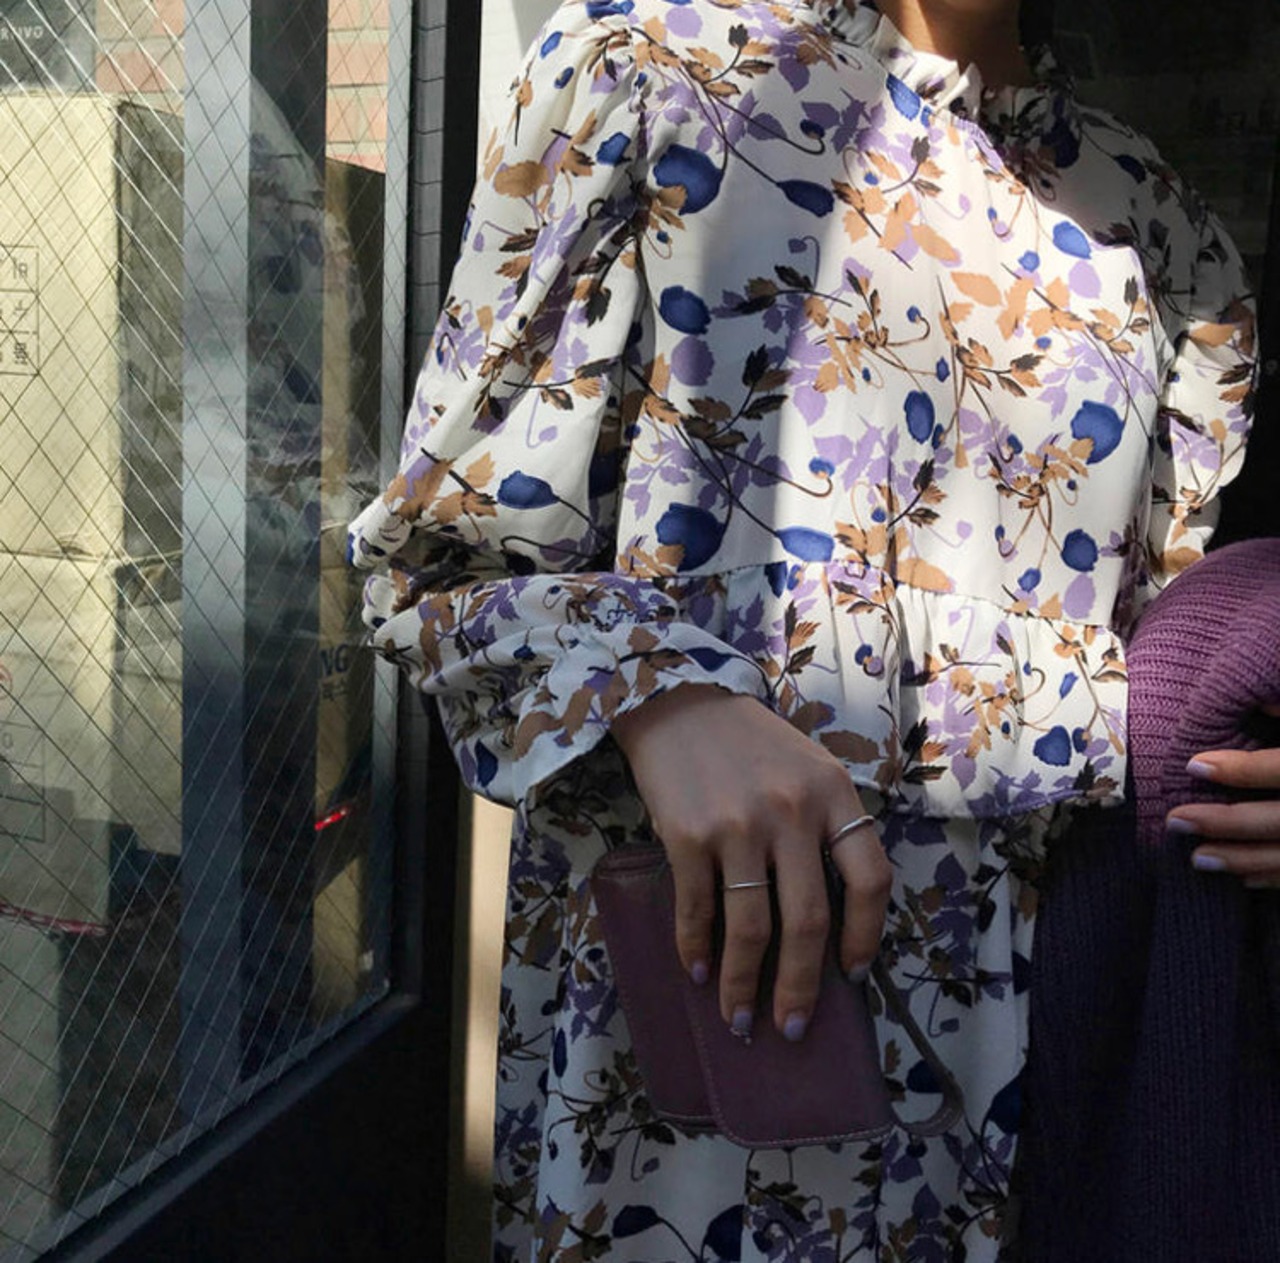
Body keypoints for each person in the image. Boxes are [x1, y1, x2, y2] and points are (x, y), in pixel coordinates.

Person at [348, 0, 1280, 1256]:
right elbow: (437, 562)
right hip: (703, 1040)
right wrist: (658, 694)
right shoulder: (648, 68)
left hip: (1055, 1055)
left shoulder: (1153, 217)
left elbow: (1172, 673)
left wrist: (1237, 779)